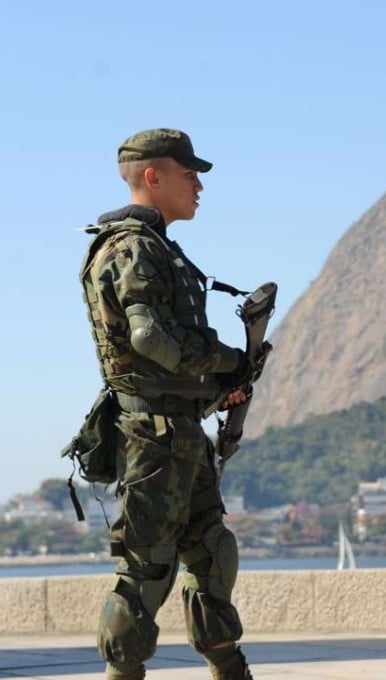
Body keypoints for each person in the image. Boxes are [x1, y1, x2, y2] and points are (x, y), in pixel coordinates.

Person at [79, 128, 254, 680]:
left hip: (177, 433)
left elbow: (160, 359)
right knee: (146, 573)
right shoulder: (134, 247)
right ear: (153, 177)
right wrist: (226, 360)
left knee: (211, 558)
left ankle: (231, 670)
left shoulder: (152, 245)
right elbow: (150, 340)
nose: (199, 185)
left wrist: (214, 389)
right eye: (188, 173)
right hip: (153, 441)